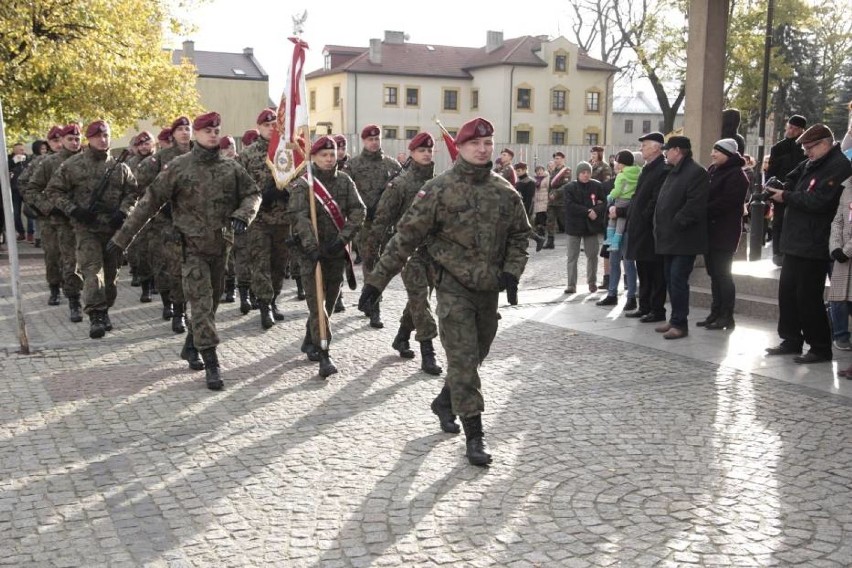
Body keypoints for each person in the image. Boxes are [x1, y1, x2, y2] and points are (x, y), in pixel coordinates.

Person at [359, 117, 530, 466]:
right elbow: (405, 236)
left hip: (488, 290)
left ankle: (444, 401)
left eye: (488, 144)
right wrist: (376, 281)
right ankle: (476, 436)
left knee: (475, 356)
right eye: (474, 145)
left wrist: (512, 272)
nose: (482, 150)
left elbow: (519, 235)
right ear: (462, 148)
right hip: (452, 287)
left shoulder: (504, 191)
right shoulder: (439, 189)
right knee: (464, 361)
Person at [109, 112, 261, 389]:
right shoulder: (179, 167)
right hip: (190, 249)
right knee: (202, 305)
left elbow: (254, 193)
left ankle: (191, 345)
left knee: (211, 306)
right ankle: (212, 364)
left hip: (220, 247)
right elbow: (148, 202)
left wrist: (244, 214)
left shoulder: (231, 168)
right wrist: (122, 239)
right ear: (196, 134)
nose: (213, 134)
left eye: (217, 130)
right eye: (207, 130)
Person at [765, 124, 852, 363]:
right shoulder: (811, 163)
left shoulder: (839, 166)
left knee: (808, 297)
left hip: (815, 242)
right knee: (788, 294)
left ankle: (820, 346)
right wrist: (781, 187)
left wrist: (787, 196)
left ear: (825, 143)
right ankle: (791, 339)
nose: (806, 152)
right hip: (795, 241)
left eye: (810, 147)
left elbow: (820, 201)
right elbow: (793, 180)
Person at [45, 120, 139, 339]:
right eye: (97, 136)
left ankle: (105, 309)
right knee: (91, 271)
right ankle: (96, 316)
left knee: (111, 276)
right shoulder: (73, 165)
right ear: (89, 139)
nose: (102, 140)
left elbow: (133, 193)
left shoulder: (121, 167)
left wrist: (124, 212)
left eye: (105, 136)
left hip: (113, 229)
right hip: (86, 229)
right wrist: (74, 210)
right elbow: (53, 191)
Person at [288, 135, 366, 378]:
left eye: (332, 154)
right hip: (311, 255)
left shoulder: (344, 181)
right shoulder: (303, 185)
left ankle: (311, 337)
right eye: (324, 155)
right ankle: (324, 353)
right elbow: (298, 216)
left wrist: (342, 239)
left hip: (335, 251)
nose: (330, 159)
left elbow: (358, 210)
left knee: (329, 302)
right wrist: (312, 246)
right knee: (317, 303)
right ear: (313, 157)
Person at [366, 131, 442, 374]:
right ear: (412, 153)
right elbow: (382, 218)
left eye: (430, 150)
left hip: (434, 251)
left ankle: (401, 336)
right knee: (421, 300)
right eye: (422, 150)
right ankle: (428, 352)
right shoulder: (400, 184)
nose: (427, 154)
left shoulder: (439, 183)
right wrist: (373, 250)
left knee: (419, 300)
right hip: (408, 251)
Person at [135, 116, 195, 332]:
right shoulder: (161, 158)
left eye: (187, 128)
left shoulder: (200, 154)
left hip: (195, 222)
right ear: (173, 134)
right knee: (169, 269)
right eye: (180, 129)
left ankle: (191, 310)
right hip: (166, 223)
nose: (184, 133)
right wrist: (161, 205)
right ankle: (175, 309)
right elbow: (143, 186)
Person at [22, 124, 85, 320]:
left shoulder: (85, 160)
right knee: (53, 255)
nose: (71, 143)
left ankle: (78, 298)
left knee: (74, 260)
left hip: (79, 219)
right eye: (59, 140)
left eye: (77, 139)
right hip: (52, 219)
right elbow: (26, 185)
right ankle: (55, 288)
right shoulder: (46, 163)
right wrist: (47, 206)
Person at [240, 108, 293, 330]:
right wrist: (263, 196)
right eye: (267, 125)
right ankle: (264, 306)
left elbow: (299, 179)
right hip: (259, 219)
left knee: (279, 264)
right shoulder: (248, 154)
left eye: (275, 125)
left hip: (283, 219)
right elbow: (241, 186)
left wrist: (287, 191)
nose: (272, 129)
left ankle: (273, 300)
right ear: (260, 127)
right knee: (260, 264)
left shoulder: (288, 150)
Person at [344, 124, 402, 328]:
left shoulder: (393, 165)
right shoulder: (353, 165)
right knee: (370, 263)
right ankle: (374, 306)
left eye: (377, 139)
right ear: (363, 141)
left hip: (386, 224)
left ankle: (370, 297)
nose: (374, 142)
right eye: (370, 139)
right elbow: (346, 193)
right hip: (366, 224)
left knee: (383, 265)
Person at [653, 135, 709, 339]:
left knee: (677, 279)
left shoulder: (696, 172)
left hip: (684, 239)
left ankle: (680, 324)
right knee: (670, 278)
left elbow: (694, 205)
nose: (665, 153)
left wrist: (676, 222)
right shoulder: (673, 171)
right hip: (669, 238)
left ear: (677, 150)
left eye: (667, 149)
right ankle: (675, 319)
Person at [699, 138, 750, 330]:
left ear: (728, 154)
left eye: (717, 151)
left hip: (724, 232)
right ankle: (716, 311)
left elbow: (727, 203)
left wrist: (702, 209)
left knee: (723, 274)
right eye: (713, 150)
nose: (712, 154)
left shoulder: (737, 176)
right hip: (710, 231)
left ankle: (727, 315)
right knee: (713, 273)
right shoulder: (713, 170)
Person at [623, 132, 669, 322]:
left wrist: (643, 217)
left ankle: (657, 310)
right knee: (643, 268)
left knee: (655, 271)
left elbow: (655, 200)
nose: (641, 148)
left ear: (657, 147)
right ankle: (645, 306)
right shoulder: (647, 168)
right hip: (640, 228)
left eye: (645, 145)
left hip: (650, 230)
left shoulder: (663, 169)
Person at [597, 150, 641, 308]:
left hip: (627, 227)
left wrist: (617, 209)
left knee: (629, 263)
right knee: (614, 261)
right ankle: (612, 293)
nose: (615, 165)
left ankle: (631, 297)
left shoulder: (632, 178)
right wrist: (610, 208)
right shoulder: (621, 178)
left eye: (617, 162)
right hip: (615, 223)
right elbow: (611, 200)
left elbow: (634, 204)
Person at [767, 115, 807, 266]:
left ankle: (790, 253)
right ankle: (777, 253)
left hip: (798, 192)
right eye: (789, 127)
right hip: (780, 191)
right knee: (778, 222)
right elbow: (771, 171)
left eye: (795, 129)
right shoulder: (778, 148)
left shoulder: (804, 148)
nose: (790, 131)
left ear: (801, 130)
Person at [563, 161, 607, 294]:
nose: (586, 175)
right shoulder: (570, 187)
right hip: (574, 226)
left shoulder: (596, 186)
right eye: (583, 172)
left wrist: (596, 210)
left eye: (588, 172)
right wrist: (588, 211)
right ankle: (571, 284)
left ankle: (592, 282)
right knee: (572, 257)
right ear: (578, 174)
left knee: (592, 255)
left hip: (591, 227)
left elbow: (604, 202)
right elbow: (570, 205)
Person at [828, 172, 852, 368]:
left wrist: (847, 250)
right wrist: (835, 246)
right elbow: (838, 220)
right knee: (837, 297)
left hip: (848, 251)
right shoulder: (847, 188)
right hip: (842, 254)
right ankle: (840, 334)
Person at [544, 151, 571, 249]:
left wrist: (555, 193)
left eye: (558, 158)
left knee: (565, 221)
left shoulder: (566, 170)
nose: (556, 160)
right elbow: (550, 186)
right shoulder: (553, 171)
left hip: (561, 201)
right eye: (555, 158)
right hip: (552, 201)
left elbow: (566, 185)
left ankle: (572, 241)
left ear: (563, 159)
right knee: (550, 221)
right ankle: (550, 242)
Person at [531, 164, 550, 238]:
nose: (539, 172)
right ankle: (539, 231)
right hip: (537, 200)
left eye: (540, 170)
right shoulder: (535, 179)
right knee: (538, 217)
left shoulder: (547, 178)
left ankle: (542, 231)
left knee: (542, 216)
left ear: (543, 170)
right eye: (537, 171)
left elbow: (549, 188)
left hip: (544, 199)